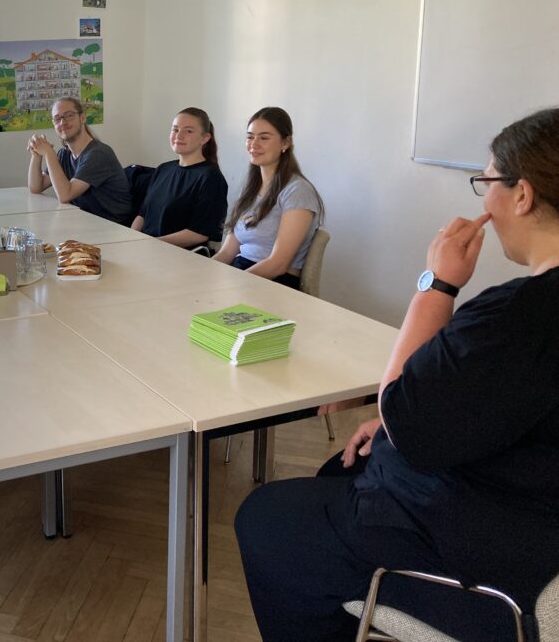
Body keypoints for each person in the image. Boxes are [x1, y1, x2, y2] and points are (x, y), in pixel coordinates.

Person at [234, 108, 559, 641]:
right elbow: (512, 405)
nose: (486, 202)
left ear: (521, 195)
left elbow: (403, 406)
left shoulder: (516, 316)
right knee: (339, 470)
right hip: (526, 506)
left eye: (487, 183)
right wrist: (392, 425)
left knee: (266, 516)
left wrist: (438, 285)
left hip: (495, 559)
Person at [213, 106, 323, 289]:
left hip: (273, 283)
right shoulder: (250, 190)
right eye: (250, 137)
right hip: (241, 272)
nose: (254, 144)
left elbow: (277, 265)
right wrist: (204, 275)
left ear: (285, 143)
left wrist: (230, 285)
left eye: (264, 138)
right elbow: (226, 253)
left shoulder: (298, 192)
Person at [131, 107, 228, 249]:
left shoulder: (210, 177)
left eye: (188, 131)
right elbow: (143, 214)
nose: (179, 136)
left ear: (205, 138)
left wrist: (151, 244)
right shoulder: (163, 169)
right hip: (148, 249)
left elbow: (199, 233)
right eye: (175, 129)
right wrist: (131, 239)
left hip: (182, 256)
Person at [27, 97, 132, 224]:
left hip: (114, 228)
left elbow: (65, 195)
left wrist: (49, 153)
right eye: (57, 119)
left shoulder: (98, 154)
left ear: (82, 118)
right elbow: (36, 187)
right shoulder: (64, 154)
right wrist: (36, 154)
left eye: (69, 115)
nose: (62, 123)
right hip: (84, 223)